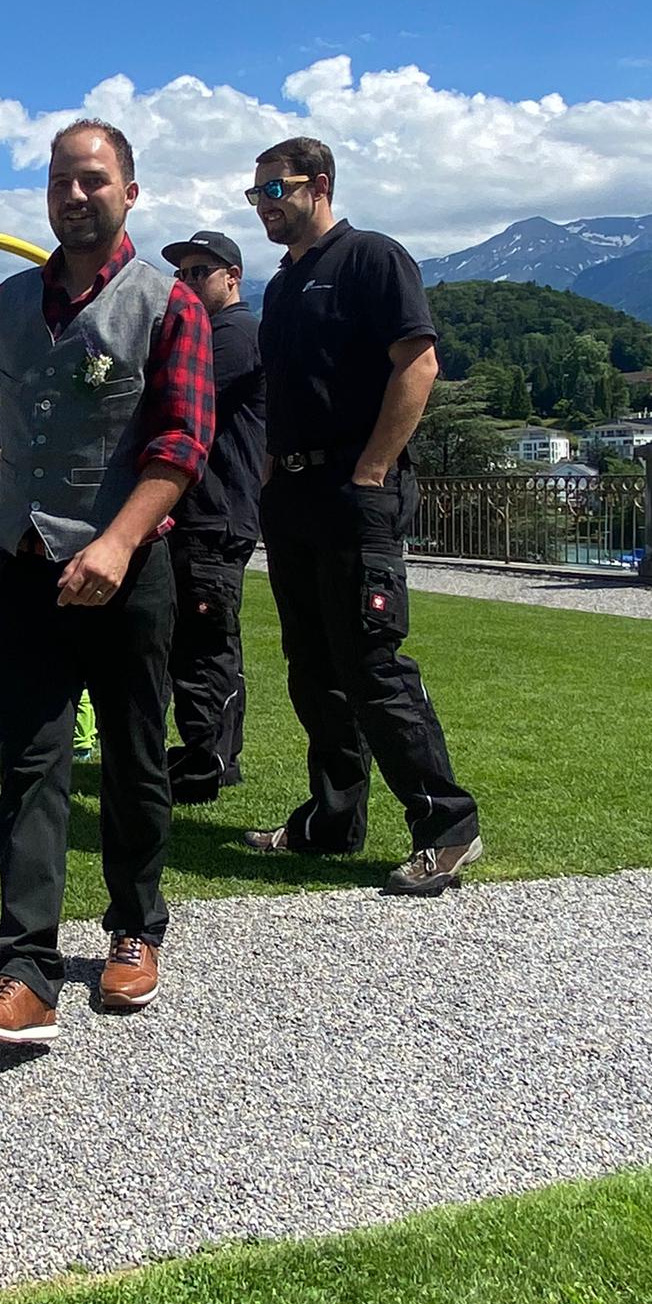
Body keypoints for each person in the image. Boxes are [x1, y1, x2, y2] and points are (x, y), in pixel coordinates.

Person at [0, 121, 215, 1047]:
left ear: (129, 193)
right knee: (31, 768)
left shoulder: (167, 303)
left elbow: (182, 442)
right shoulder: (11, 300)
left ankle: (136, 929)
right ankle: (25, 970)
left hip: (128, 572)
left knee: (137, 758)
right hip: (20, 566)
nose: (76, 196)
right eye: (62, 181)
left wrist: (115, 542)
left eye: (94, 181)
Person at [240, 136, 483, 896]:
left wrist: (372, 469)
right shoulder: (280, 286)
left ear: (318, 185)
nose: (265, 207)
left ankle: (447, 826)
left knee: (372, 664)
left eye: (274, 191)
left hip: (356, 491)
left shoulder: (373, 258)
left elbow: (418, 362)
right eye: (256, 197)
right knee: (313, 669)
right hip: (295, 496)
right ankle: (332, 819)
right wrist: (274, 471)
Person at [158, 230, 265, 804]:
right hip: (203, 514)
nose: (189, 283)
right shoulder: (214, 334)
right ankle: (210, 754)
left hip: (212, 514)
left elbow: (172, 397)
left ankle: (205, 764)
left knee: (203, 644)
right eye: (182, 273)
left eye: (201, 272)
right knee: (199, 641)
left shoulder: (233, 335)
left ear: (232, 277)